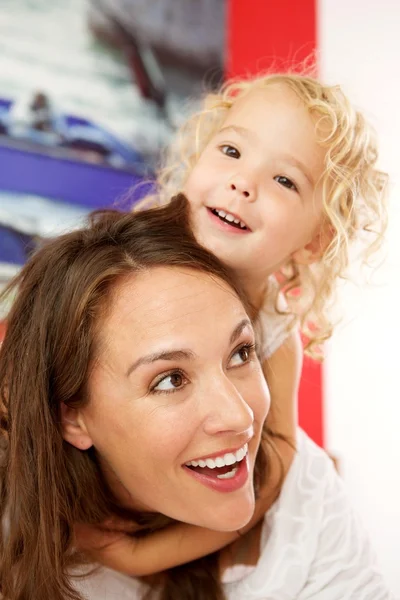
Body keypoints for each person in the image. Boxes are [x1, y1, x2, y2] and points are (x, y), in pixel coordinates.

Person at [76, 70, 389, 577]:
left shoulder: (276, 332)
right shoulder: (133, 260)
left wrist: (142, 557)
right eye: (231, 151)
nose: (243, 183)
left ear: (313, 241)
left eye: (284, 181)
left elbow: (273, 472)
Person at [0, 196, 393, 599]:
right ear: (71, 418)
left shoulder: (303, 493)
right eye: (170, 379)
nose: (239, 416)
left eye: (241, 353)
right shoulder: (15, 535)